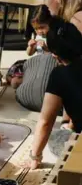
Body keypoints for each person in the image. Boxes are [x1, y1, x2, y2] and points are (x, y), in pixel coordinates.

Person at [25, 17, 82, 170]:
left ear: (55, 55)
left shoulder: (60, 75)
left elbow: (45, 121)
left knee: (57, 137)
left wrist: (34, 157)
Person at [7, 5, 59, 112]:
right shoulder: (37, 37)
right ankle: (23, 81)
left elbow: (57, 55)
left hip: (48, 69)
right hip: (36, 68)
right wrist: (30, 46)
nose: (39, 31)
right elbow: (29, 54)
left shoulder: (54, 36)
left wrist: (47, 49)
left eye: (42, 27)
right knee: (13, 80)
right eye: (36, 29)